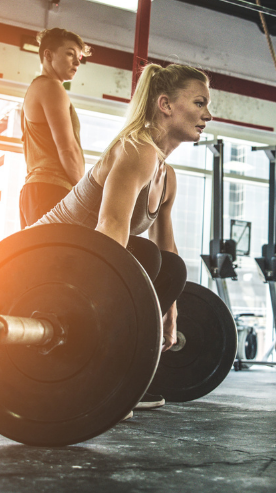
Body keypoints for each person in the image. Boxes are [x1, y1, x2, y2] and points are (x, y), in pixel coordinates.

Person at [33, 63, 212, 410]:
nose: (208, 115)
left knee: (167, 264)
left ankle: (121, 370)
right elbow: (110, 230)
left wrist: (170, 313)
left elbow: (168, 255)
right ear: (165, 105)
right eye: (199, 103)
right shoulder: (137, 150)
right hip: (38, 257)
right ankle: (103, 369)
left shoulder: (166, 175)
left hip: (77, 260)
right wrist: (104, 320)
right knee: (142, 257)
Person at [19, 28, 89, 228]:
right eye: (70, 54)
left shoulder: (35, 89)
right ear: (48, 55)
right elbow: (67, 148)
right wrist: (86, 195)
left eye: (79, 57)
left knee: (40, 259)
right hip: (51, 188)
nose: (77, 62)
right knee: (55, 259)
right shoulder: (51, 87)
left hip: (36, 190)